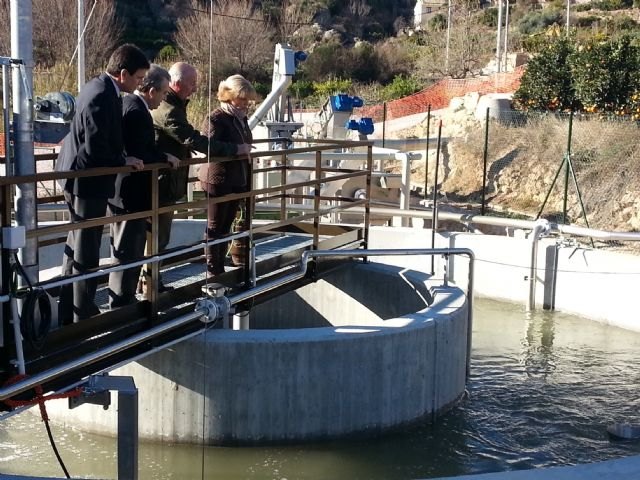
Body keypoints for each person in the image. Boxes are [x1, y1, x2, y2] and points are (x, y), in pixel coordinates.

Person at [57, 44, 148, 323]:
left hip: (80, 177)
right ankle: (81, 312)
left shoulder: (100, 88)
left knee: (77, 245)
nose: (139, 84)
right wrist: (123, 160)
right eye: (138, 78)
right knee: (86, 248)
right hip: (86, 182)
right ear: (123, 74)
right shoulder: (101, 94)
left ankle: (70, 309)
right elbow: (95, 147)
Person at [149, 62, 251, 289]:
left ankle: (151, 282)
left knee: (162, 235)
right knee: (160, 235)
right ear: (176, 84)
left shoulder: (175, 106)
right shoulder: (171, 110)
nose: (195, 88)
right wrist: (235, 149)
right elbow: (195, 140)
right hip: (169, 181)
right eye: (192, 83)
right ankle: (151, 284)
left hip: (171, 180)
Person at [107, 65, 179, 308]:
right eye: (163, 93)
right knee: (128, 249)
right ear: (151, 91)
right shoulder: (137, 110)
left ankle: (123, 298)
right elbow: (141, 151)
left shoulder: (129, 104)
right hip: (132, 193)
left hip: (124, 192)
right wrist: (163, 157)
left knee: (125, 248)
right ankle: (122, 303)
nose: (163, 98)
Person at [198, 75, 255, 277]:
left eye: (247, 99)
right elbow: (208, 146)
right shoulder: (215, 118)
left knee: (227, 222)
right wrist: (237, 149)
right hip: (217, 178)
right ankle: (213, 268)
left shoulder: (240, 119)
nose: (246, 104)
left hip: (235, 178)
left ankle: (220, 263)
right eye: (242, 99)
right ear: (229, 96)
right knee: (215, 224)